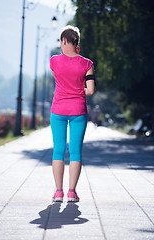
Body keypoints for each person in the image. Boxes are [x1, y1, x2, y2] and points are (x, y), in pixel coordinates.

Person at [50, 25, 95, 202]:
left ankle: (58, 193)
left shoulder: (54, 61)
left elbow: (59, 79)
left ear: (63, 40)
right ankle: (72, 192)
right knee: (75, 151)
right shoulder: (87, 64)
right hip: (78, 111)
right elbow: (90, 90)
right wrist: (78, 89)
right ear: (77, 42)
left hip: (58, 110)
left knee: (58, 150)